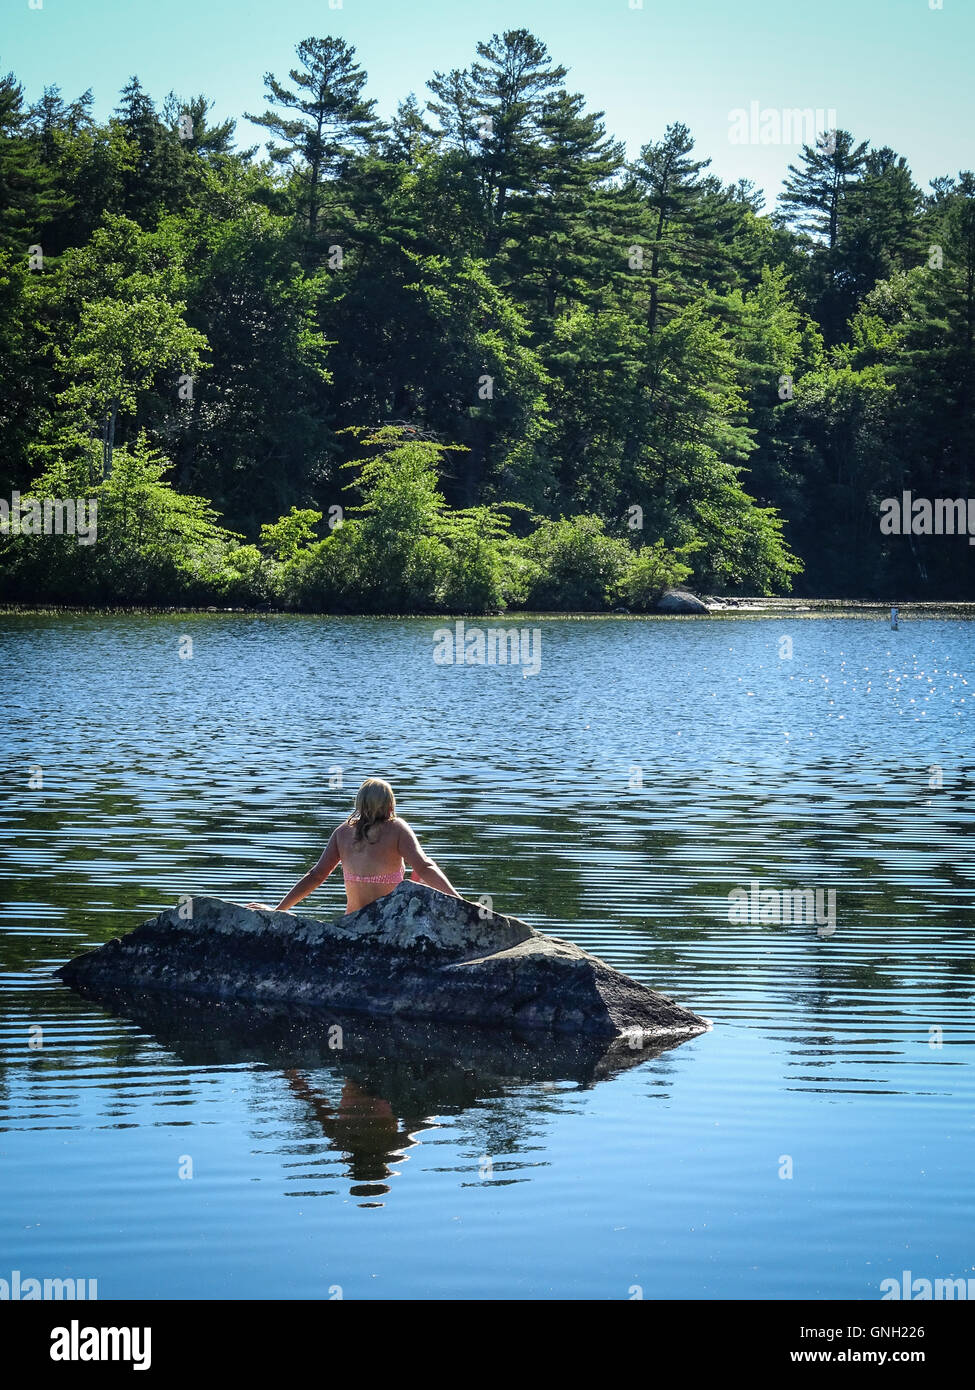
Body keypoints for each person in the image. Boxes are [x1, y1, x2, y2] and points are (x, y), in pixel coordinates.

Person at [246, 777, 458, 915]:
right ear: (391, 804)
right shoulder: (397, 828)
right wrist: (460, 902)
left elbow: (316, 876)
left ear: (359, 803)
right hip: (389, 921)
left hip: (352, 921)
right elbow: (425, 867)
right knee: (419, 883)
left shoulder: (343, 832)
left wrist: (278, 910)